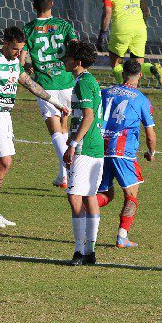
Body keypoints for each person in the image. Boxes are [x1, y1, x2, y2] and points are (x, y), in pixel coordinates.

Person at [0, 27, 70, 229]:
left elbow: (31, 85)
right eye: (15, 49)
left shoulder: (15, 63)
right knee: (5, 162)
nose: (18, 53)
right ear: (5, 43)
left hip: (5, 116)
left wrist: (57, 104)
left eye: (21, 49)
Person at [96, 60, 157, 249]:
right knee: (131, 196)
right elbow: (150, 133)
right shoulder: (141, 99)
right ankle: (122, 237)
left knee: (105, 194)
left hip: (100, 148)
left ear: (122, 74)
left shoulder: (105, 92)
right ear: (140, 75)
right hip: (123, 152)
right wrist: (151, 152)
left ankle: (81, 206)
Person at [21, 0, 78, 189]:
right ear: (52, 3)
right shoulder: (64, 25)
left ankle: (70, 172)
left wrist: (28, 66)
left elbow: (22, 60)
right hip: (67, 80)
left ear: (33, 6)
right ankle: (63, 176)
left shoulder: (28, 29)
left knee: (55, 130)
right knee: (64, 126)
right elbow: (75, 47)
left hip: (46, 85)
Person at [62, 41, 106, 266]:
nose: (64, 60)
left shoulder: (83, 83)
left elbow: (88, 116)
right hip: (94, 145)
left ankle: (79, 251)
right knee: (89, 196)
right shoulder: (89, 81)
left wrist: (73, 144)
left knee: (75, 196)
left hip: (86, 147)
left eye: (67, 57)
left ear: (77, 62)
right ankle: (89, 251)